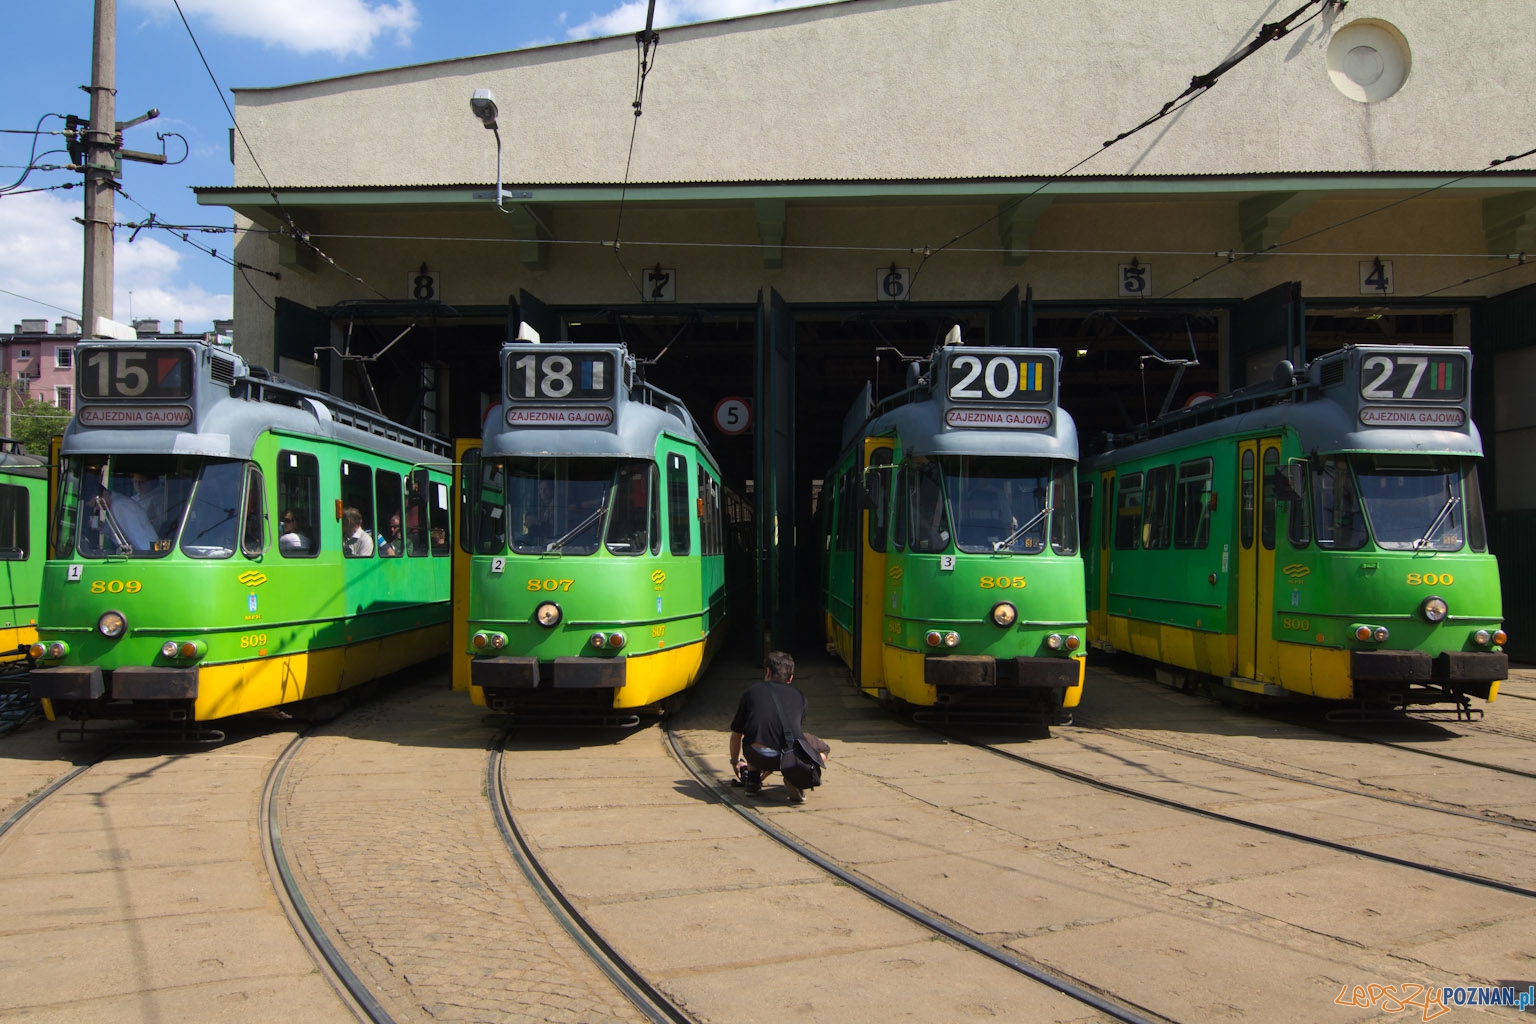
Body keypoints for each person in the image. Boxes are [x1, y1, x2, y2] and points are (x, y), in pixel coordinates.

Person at [728, 651, 830, 804]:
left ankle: (753, 781)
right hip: (788, 760)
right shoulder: (800, 696)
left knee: (756, 732)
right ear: (790, 678)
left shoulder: (751, 692)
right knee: (822, 747)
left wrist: (735, 762)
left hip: (755, 755)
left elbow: (736, 735)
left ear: (768, 671)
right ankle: (796, 777)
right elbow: (789, 736)